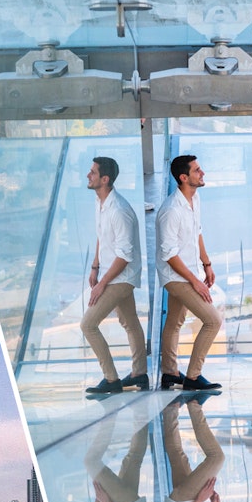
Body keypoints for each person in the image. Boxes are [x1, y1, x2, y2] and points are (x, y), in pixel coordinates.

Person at [157, 155, 223, 392]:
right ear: (184, 177)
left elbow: (197, 232)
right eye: (197, 170)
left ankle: (170, 373)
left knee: (174, 322)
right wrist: (195, 281)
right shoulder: (171, 210)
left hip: (189, 272)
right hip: (176, 276)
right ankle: (193, 377)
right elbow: (169, 255)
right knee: (213, 320)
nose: (202, 173)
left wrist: (206, 264)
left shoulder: (195, 199)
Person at [83, 156, 149, 394]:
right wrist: (95, 266)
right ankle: (140, 375)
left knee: (88, 325)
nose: (88, 175)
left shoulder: (119, 211)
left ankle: (111, 379)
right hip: (111, 273)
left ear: (105, 179)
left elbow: (124, 256)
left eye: (92, 172)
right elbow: (102, 236)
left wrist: (102, 283)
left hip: (121, 277)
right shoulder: (100, 202)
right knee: (130, 322)